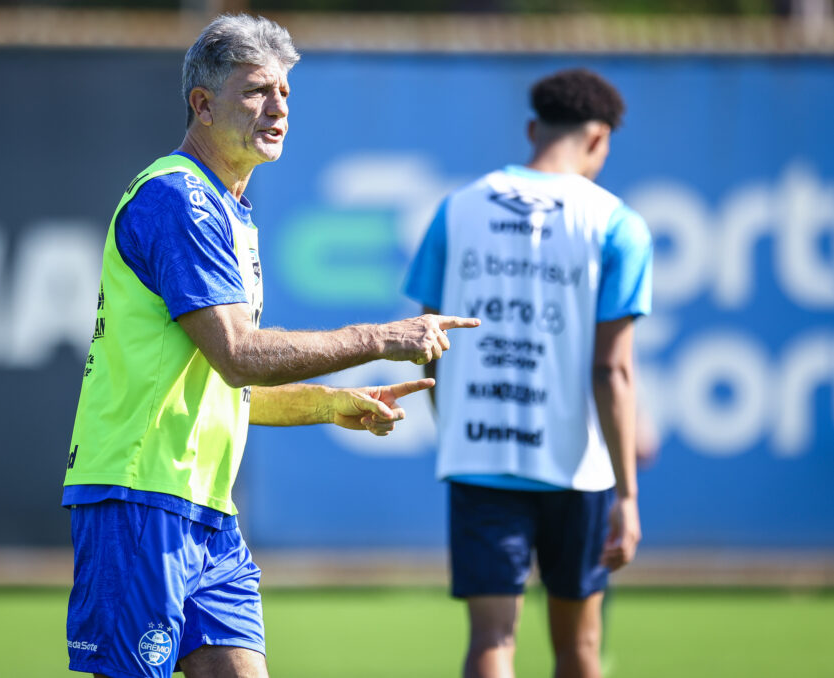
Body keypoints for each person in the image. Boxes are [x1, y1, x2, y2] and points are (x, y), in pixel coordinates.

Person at [62, 14, 479, 678]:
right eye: (257, 90)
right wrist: (382, 338)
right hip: (139, 498)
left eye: (285, 91)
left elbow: (224, 382)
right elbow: (238, 354)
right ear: (201, 104)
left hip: (205, 509)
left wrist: (328, 404)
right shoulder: (179, 200)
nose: (279, 107)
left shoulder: (228, 211)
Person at [404, 68, 652, 678]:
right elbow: (612, 370)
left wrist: (457, 429)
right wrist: (626, 493)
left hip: (480, 456)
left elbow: (428, 343)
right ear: (599, 139)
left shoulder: (456, 209)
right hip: (579, 467)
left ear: (533, 128)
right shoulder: (616, 223)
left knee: (492, 638)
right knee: (580, 648)